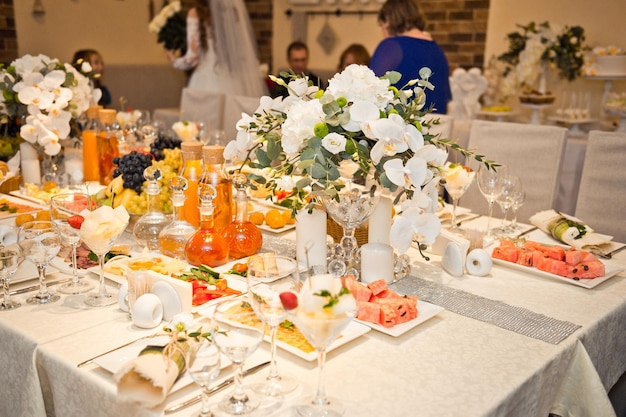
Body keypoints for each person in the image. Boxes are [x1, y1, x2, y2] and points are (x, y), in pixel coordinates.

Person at [167, 0, 267, 97]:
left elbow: (193, 58)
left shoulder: (195, 13)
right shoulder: (233, 12)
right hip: (232, 80)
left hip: (205, 80)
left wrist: (175, 61)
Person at [369, 0, 452, 114]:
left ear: (387, 22)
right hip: (436, 128)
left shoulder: (391, 46)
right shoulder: (438, 50)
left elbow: (370, 91)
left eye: (381, 26)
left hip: (403, 128)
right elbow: (444, 100)